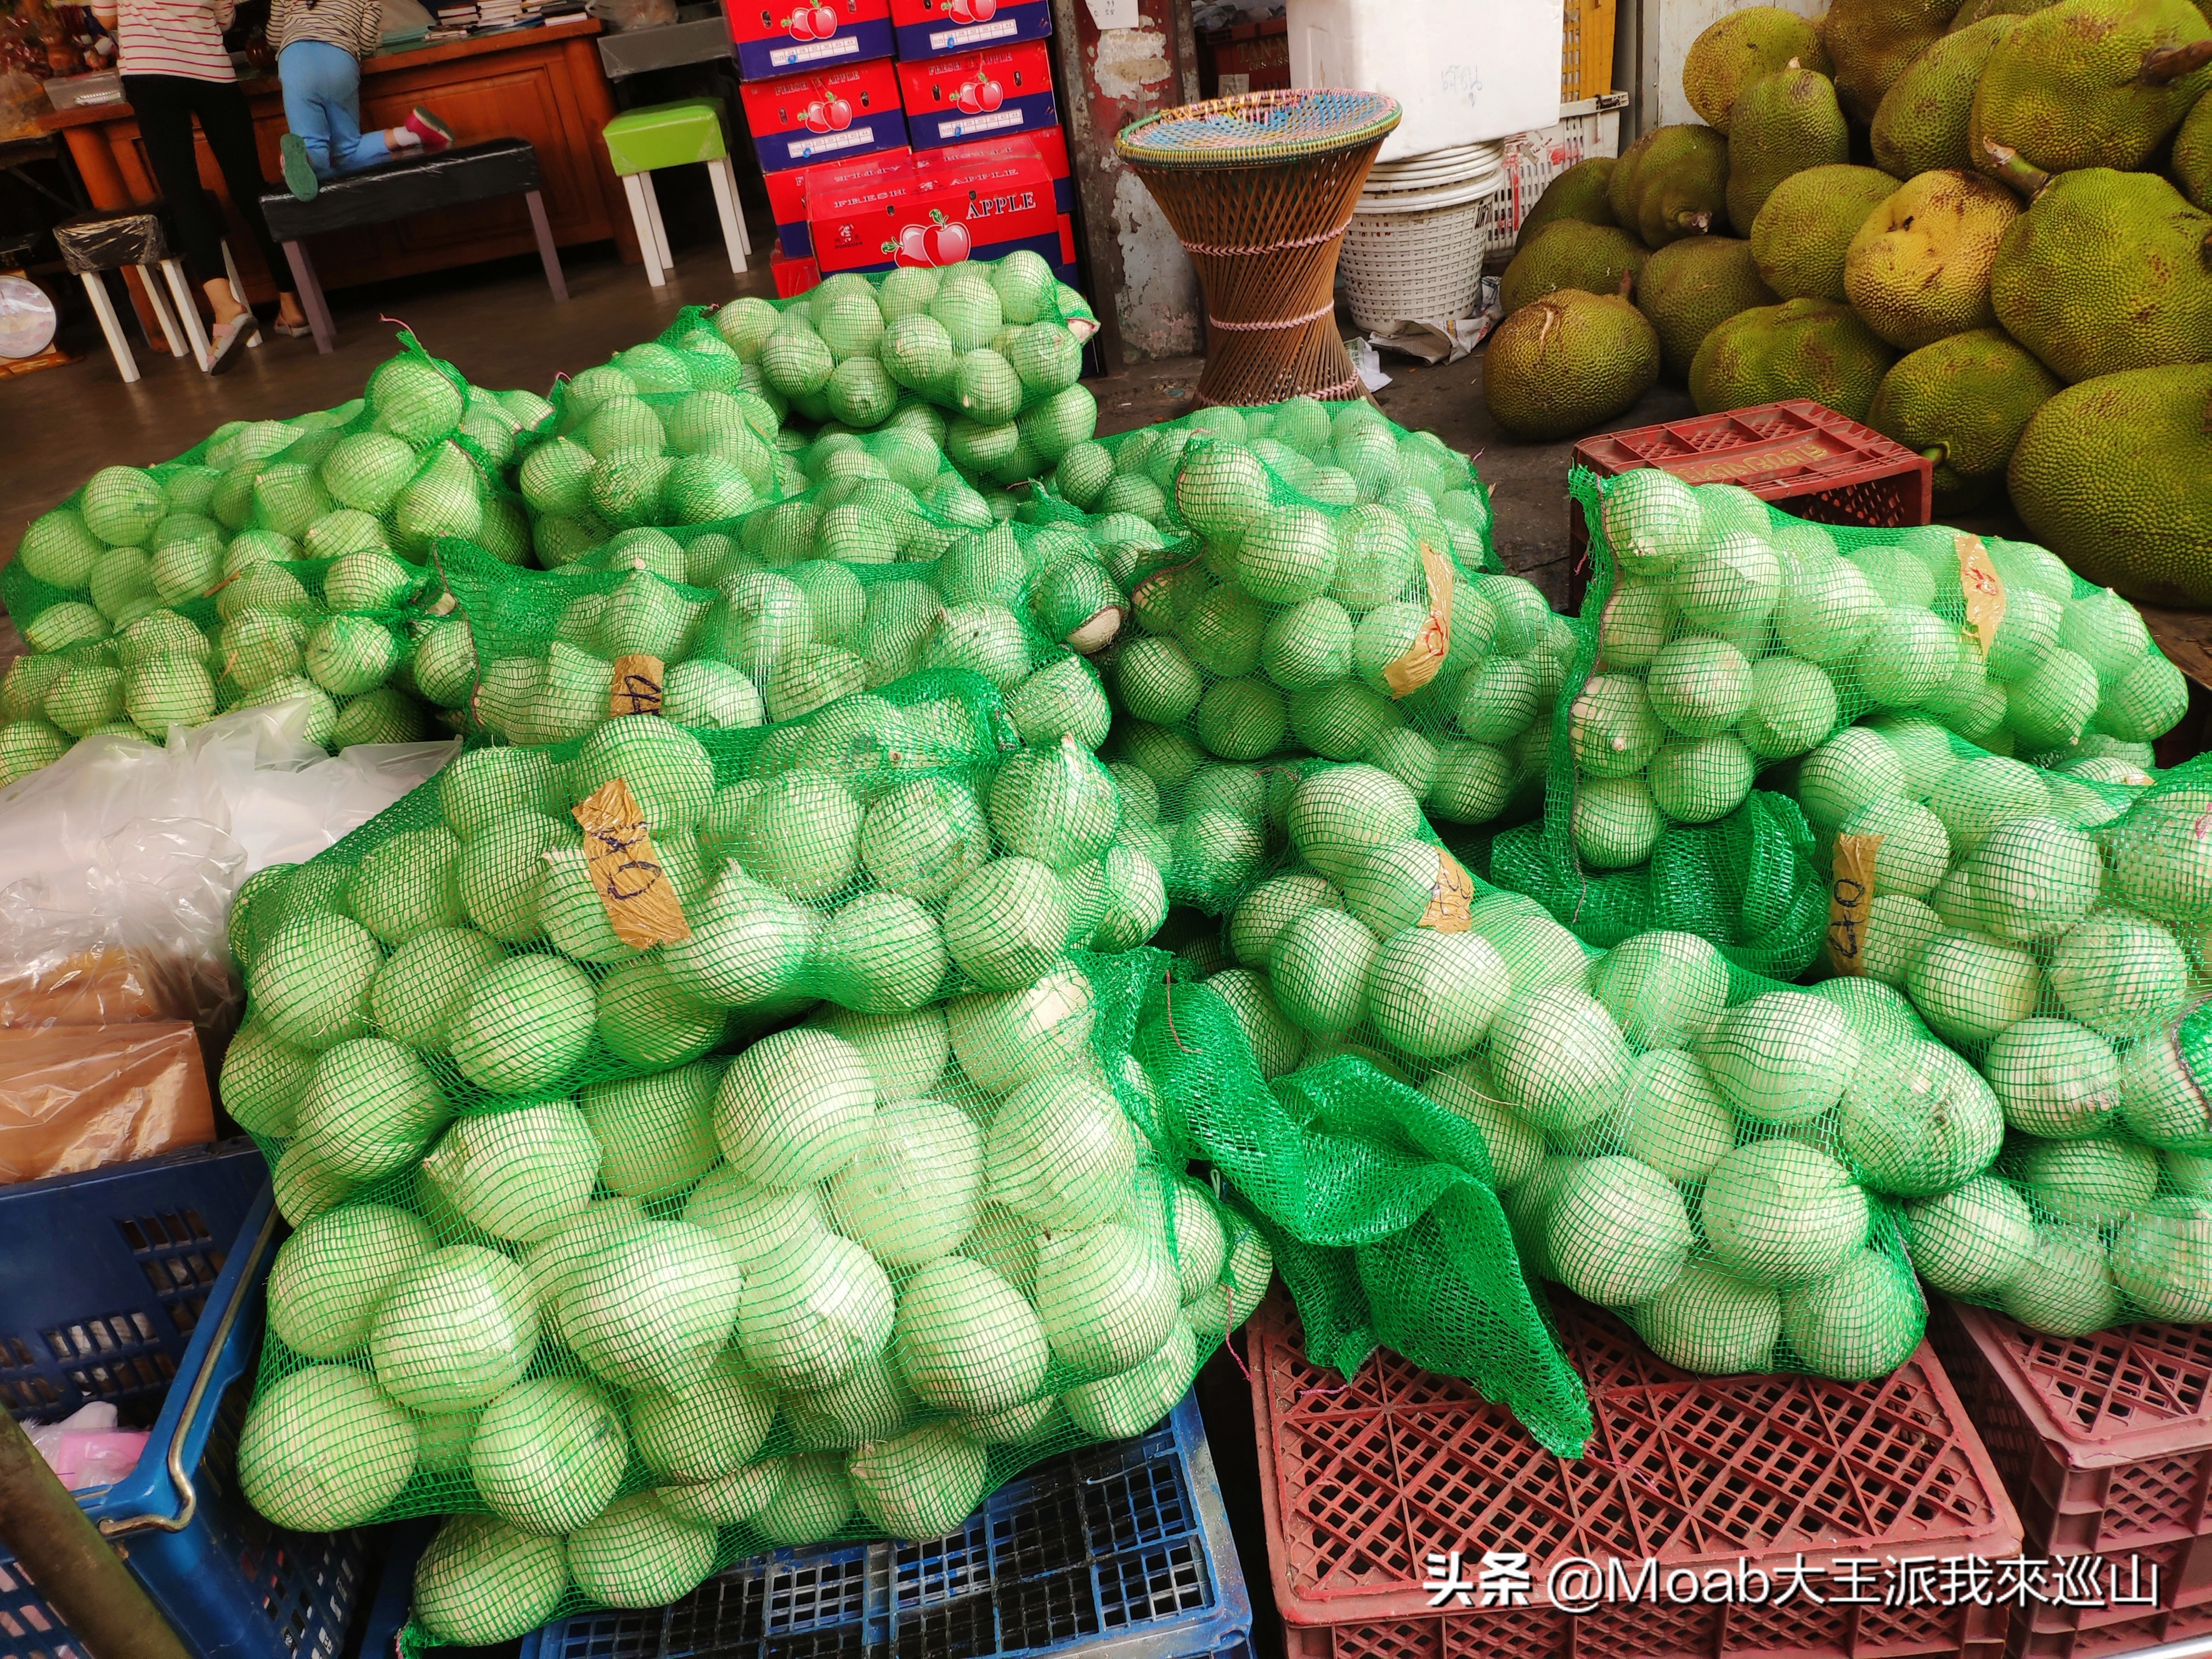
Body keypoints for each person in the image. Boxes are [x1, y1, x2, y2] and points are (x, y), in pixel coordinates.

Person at [88, 0, 314, 370]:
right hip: (212, 72)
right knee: (251, 188)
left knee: (184, 194)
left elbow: (106, 16)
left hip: (150, 73)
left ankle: (227, 308)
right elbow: (225, 19)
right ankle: (292, 304)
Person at [269, 0, 451, 202]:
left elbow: (275, 38)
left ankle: (299, 159)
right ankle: (411, 134)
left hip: (295, 61)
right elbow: (365, 46)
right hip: (340, 60)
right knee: (348, 150)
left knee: (310, 142)